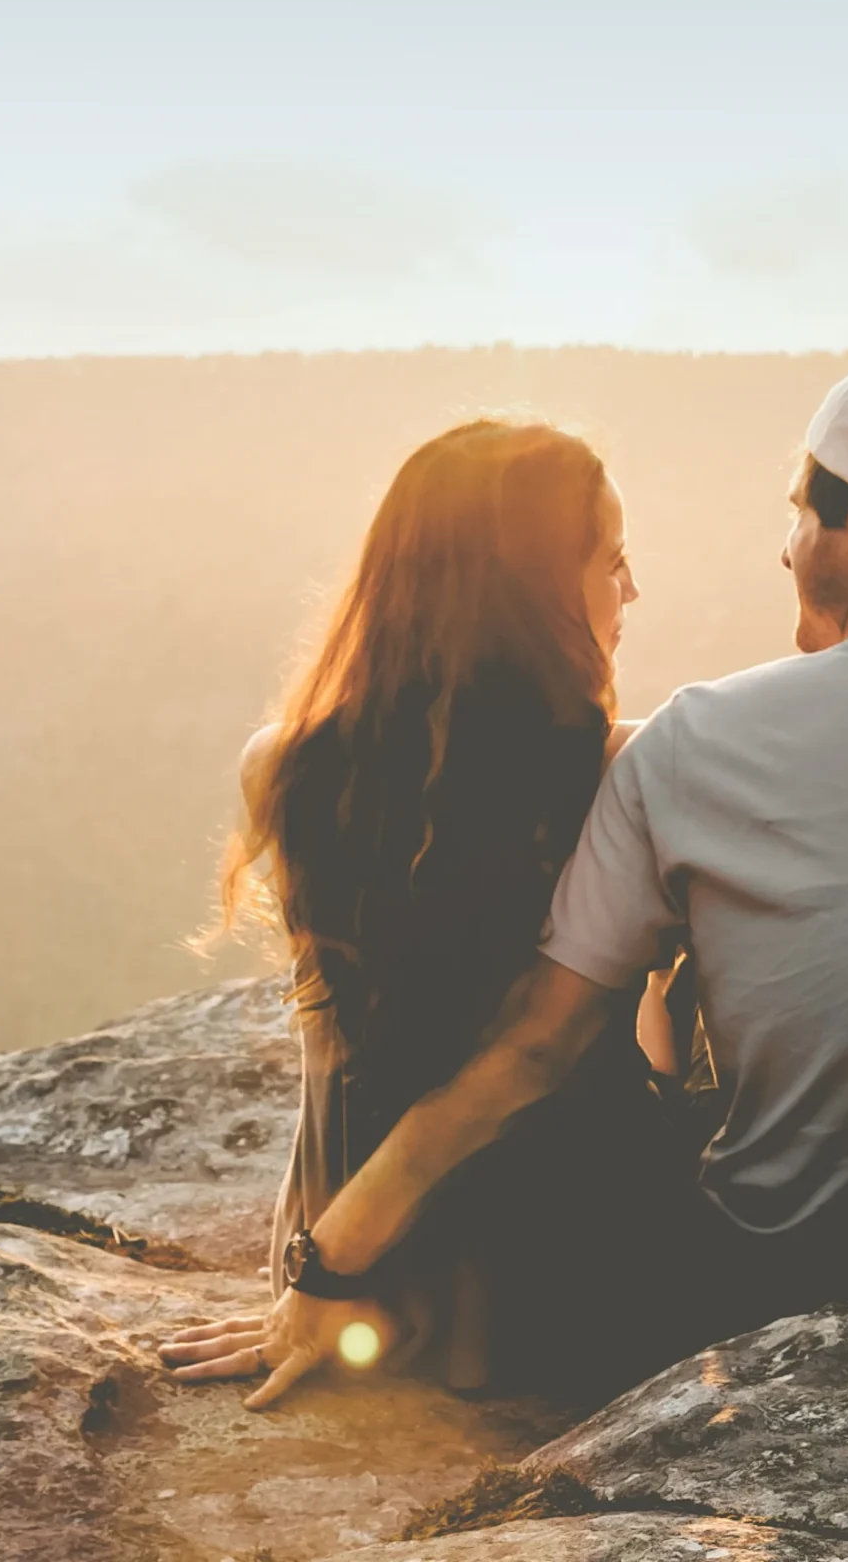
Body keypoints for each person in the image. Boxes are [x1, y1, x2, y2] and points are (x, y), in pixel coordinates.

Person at [238, 356, 848, 1404]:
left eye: (800, 511)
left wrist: (329, 1256)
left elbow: (539, 1043)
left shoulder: (696, 742)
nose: (785, 544)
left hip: (785, 1279)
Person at [157, 417, 688, 1407]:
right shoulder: (631, 769)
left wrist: (314, 1272)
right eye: (613, 561)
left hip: (371, 1280)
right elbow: (567, 1052)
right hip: (582, 1277)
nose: (632, 590)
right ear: (531, 592)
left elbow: (332, 1064)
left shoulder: (282, 767)